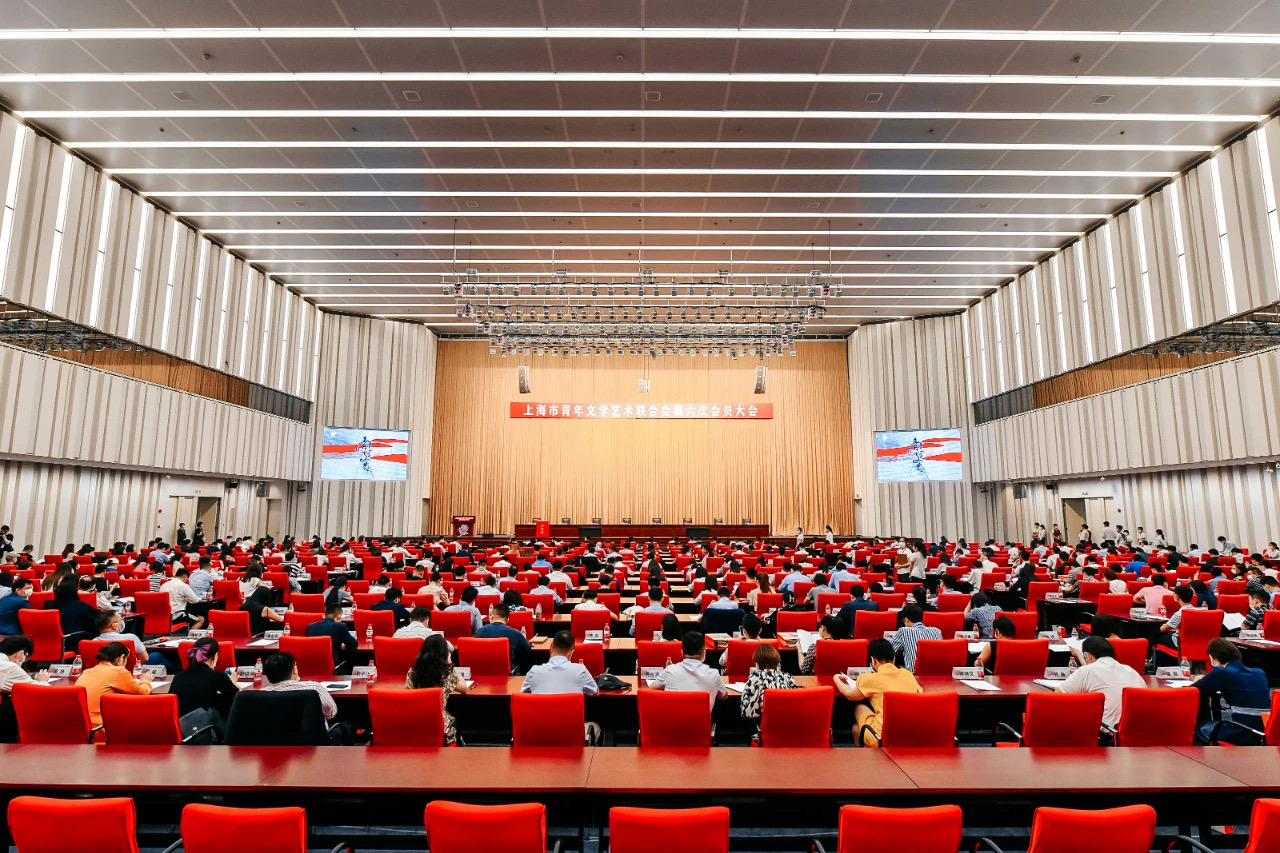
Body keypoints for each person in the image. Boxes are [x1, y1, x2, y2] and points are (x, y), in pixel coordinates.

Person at [832, 637, 922, 746]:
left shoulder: (870, 679)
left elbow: (849, 694)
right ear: (893, 659)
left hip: (880, 737)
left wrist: (836, 678)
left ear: (873, 660)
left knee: (859, 708)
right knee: (856, 729)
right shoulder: (908, 675)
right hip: (911, 733)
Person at [1193, 638, 1272, 745]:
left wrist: (1198, 680)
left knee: (1199, 728)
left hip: (1240, 733)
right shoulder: (1259, 673)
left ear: (1212, 658)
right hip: (1263, 731)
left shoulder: (1220, 672)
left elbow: (1193, 690)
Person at [1055, 636, 1145, 729]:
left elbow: (1059, 694)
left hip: (1106, 730)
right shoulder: (1131, 671)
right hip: (1137, 729)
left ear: (1088, 656)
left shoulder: (1087, 670)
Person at [75, 641, 154, 729]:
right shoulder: (119, 671)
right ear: (121, 658)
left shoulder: (86, 672)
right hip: (100, 727)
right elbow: (143, 693)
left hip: (80, 727)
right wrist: (146, 680)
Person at [405, 634, 467, 744]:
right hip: (439, 727)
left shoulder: (412, 672)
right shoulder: (445, 675)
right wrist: (450, 665)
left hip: (415, 723)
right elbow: (464, 688)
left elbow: (408, 694)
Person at [167, 637, 238, 721]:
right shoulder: (218, 676)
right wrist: (233, 683)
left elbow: (170, 704)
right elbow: (237, 696)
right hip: (203, 726)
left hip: (181, 725)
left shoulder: (178, 676)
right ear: (215, 656)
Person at [654, 631, 726, 709]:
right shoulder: (714, 675)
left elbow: (652, 688)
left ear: (682, 653)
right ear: (704, 654)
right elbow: (724, 695)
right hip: (700, 717)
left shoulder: (669, 670)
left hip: (674, 717)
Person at [260, 652, 337, 721]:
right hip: (312, 732)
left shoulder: (260, 695)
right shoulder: (314, 688)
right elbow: (331, 713)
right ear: (294, 670)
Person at [520, 631, 598, 695]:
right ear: (571, 653)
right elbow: (595, 692)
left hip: (542, 710)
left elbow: (523, 694)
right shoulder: (580, 670)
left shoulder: (534, 671)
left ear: (551, 648)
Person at [738, 642, 799, 723]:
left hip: (764, 723)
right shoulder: (787, 677)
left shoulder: (755, 677)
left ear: (757, 663)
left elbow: (745, 708)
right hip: (787, 722)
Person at [473, 604, 532, 673]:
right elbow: (527, 650)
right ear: (507, 620)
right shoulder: (515, 633)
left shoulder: (479, 632)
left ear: (491, 616)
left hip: (483, 673)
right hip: (508, 675)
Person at [891, 604, 943, 672]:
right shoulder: (937, 631)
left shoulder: (904, 631)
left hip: (913, 674)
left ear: (907, 620)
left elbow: (890, 651)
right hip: (936, 673)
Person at [1160, 586, 1200, 651]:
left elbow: (1163, 629)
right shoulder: (1198, 612)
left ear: (1177, 596)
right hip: (1195, 641)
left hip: (1178, 642)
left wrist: (1163, 626)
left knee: (1155, 636)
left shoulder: (1179, 614)